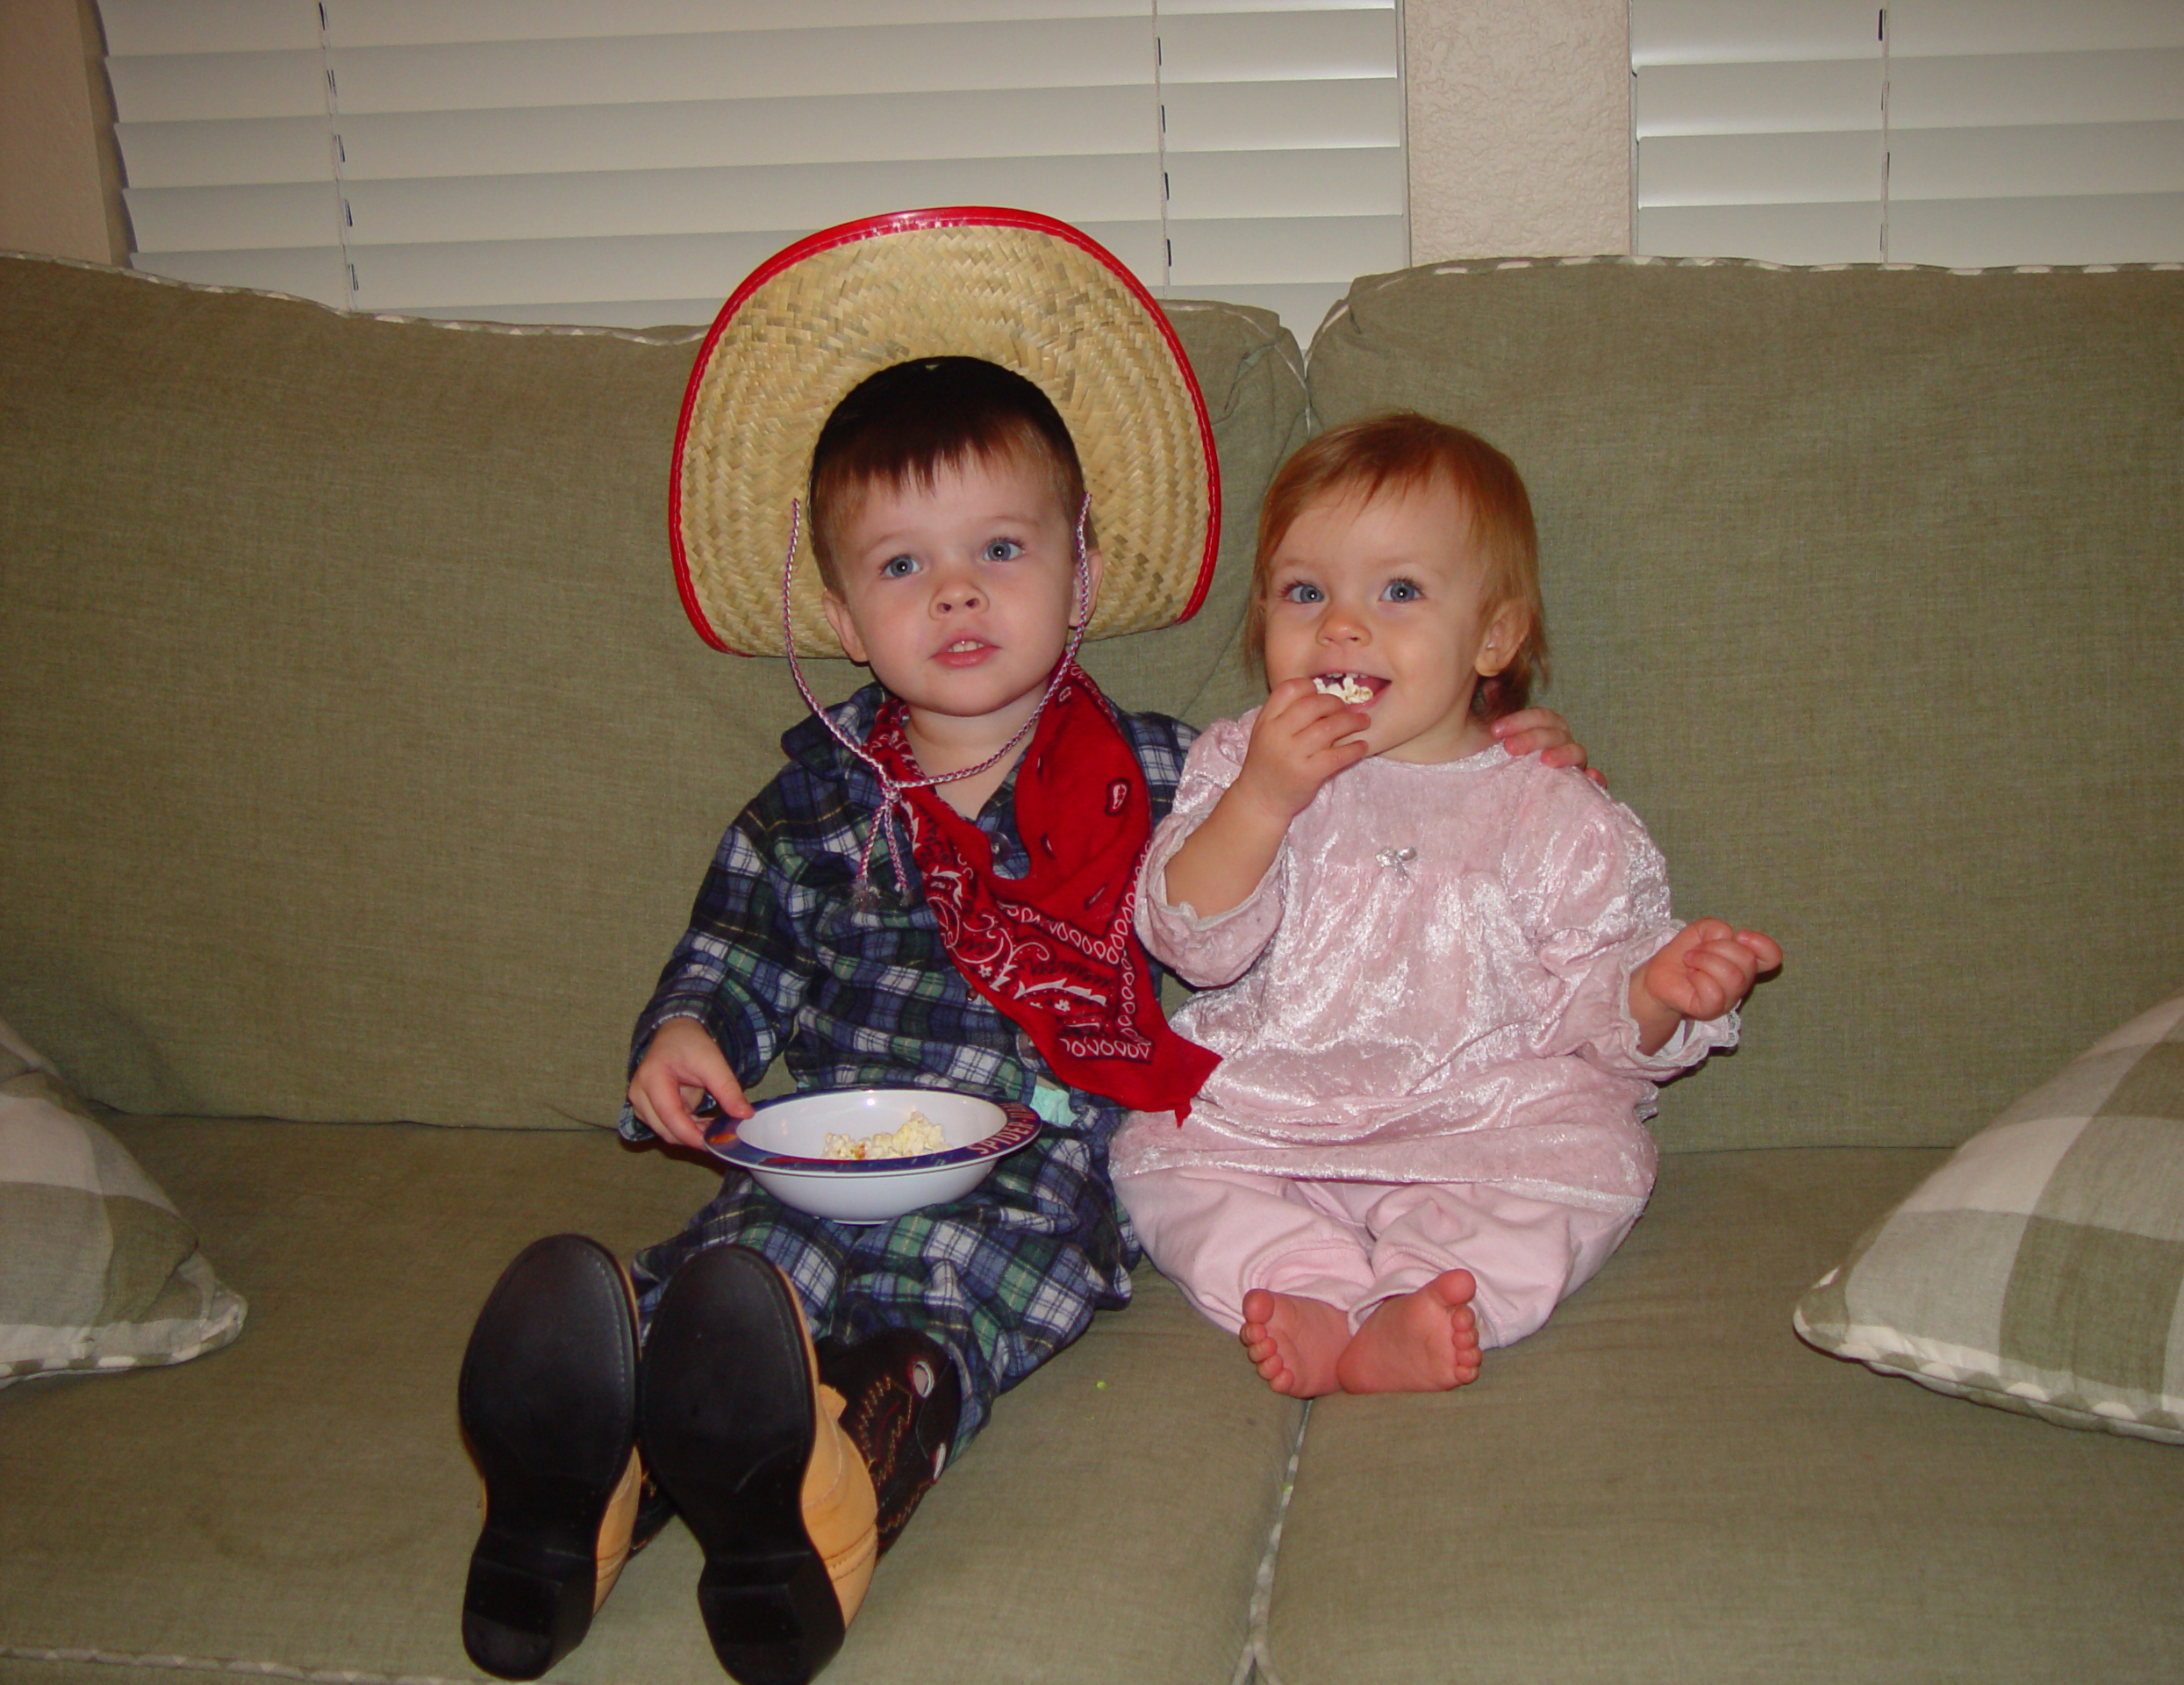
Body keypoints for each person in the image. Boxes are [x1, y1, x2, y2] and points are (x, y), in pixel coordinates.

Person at [454, 214, 1590, 1685]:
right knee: (729, 1273)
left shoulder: (1178, 765)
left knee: (946, 1309)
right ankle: (579, 1490)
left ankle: (820, 1502)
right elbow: (739, 943)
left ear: (1081, 569)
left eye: (1001, 549)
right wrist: (692, 1038)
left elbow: (1350, 804)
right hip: (825, 1144)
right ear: (843, 612)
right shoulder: (814, 798)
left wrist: (1496, 755)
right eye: (904, 564)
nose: (957, 594)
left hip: (1036, 1159)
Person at [1110, 412, 1783, 1400]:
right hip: (1275, 1112)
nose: (1341, 625)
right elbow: (1188, 942)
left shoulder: (1547, 801)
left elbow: (1591, 1005)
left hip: (1486, 1123)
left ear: (1494, 637)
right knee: (1152, 1152)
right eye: (1306, 592)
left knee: (1596, 1163)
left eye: (1398, 591)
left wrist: (1658, 987)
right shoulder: (1239, 759)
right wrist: (1262, 798)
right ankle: (1304, 1285)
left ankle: (1418, 1304)